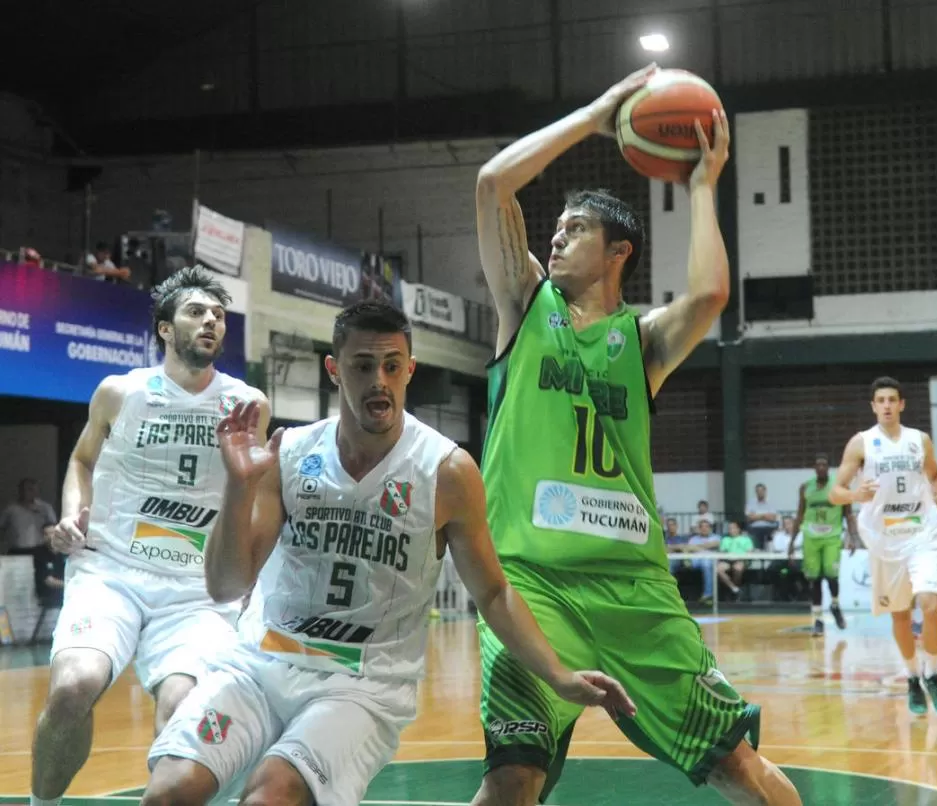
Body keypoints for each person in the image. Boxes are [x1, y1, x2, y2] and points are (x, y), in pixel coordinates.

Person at [140, 300, 634, 806]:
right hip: (258, 664)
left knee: (271, 796)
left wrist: (558, 674)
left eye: (392, 366)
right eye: (362, 366)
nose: (379, 379)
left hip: (361, 685)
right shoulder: (289, 453)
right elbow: (226, 586)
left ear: (410, 370)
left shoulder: (445, 470)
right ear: (334, 370)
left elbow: (493, 591)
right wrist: (239, 486)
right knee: (167, 794)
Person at [472, 64, 801, 805]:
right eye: (554, 229)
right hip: (531, 584)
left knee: (739, 765)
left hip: (635, 591)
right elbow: (494, 183)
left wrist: (702, 183)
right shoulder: (525, 307)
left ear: (619, 251)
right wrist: (593, 117)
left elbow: (712, 293)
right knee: (511, 775)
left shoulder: (641, 340)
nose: (556, 239)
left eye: (576, 229)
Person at [31, 266, 267, 806]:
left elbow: (253, 497)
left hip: (195, 587)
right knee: (72, 689)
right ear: (165, 328)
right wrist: (73, 514)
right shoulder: (121, 392)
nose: (210, 321)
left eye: (218, 315)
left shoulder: (246, 404)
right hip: (112, 570)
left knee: (182, 707)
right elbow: (83, 460)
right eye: (196, 312)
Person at [830, 376, 937, 717]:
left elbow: (936, 476)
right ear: (873, 406)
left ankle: (933, 673)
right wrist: (856, 495)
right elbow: (835, 491)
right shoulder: (861, 444)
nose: (886, 405)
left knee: (929, 603)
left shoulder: (919, 440)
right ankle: (913, 676)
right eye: (880, 400)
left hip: (921, 532)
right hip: (884, 540)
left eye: (892, 400)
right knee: (900, 615)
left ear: (902, 405)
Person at [791, 454, 858, 636]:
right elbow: (799, 514)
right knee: (814, 579)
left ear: (829, 467)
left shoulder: (840, 487)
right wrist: (791, 542)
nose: (821, 467)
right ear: (814, 467)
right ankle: (818, 619)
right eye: (818, 464)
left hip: (832, 537)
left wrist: (853, 537)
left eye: (824, 464)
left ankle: (835, 604)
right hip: (811, 538)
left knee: (831, 575)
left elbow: (849, 514)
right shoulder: (805, 487)